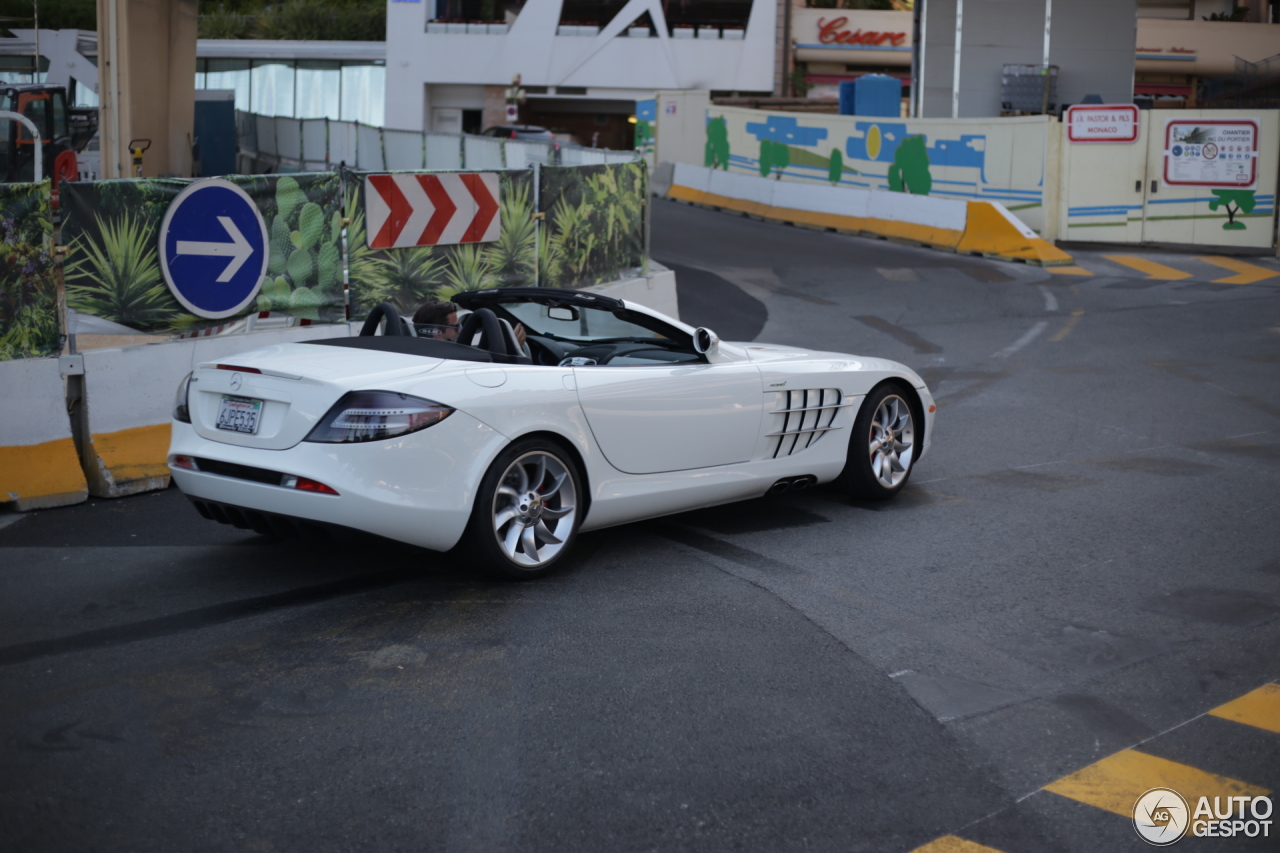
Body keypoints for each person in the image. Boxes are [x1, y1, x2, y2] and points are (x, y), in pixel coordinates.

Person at [414, 300, 528, 350]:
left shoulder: (411, 353)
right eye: (455, 327)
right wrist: (513, 348)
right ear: (436, 332)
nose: (460, 331)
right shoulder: (448, 361)